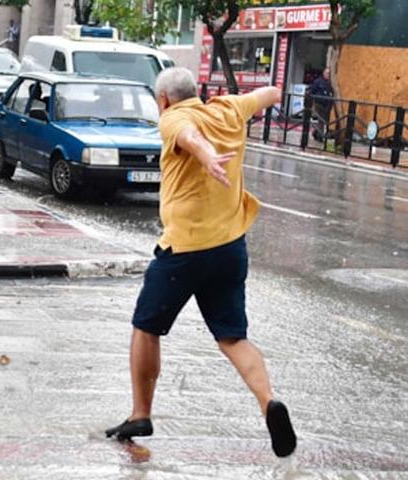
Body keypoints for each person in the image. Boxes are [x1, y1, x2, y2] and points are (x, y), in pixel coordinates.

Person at [104, 68, 297, 458]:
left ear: (163, 100)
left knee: (146, 326)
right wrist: (275, 91)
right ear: (198, 91)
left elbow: (189, 138)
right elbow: (270, 92)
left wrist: (208, 154)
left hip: (184, 251)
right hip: (230, 247)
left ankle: (141, 413)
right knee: (232, 337)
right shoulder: (228, 109)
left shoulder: (174, 117)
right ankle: (269, 403)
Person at [309, 68, 334, 141]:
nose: (328, 75)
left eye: (329, 73)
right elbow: (312, 91)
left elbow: (331, 93)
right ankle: (320, 136)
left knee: (324, 121)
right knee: (321, 121)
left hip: (326, 105)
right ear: (323, 73)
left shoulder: (329, 84)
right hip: (319, 104)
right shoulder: (318, 82)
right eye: (327, 73)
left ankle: (316, 133)